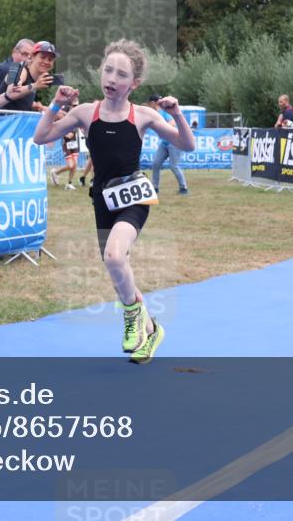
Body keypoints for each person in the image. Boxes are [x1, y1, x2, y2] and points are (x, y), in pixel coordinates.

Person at [33, 40, 195, 364]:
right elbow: (41, 137)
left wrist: (176, 114)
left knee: (115, 254)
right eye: (108, 70)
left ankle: (132, 319)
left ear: (133, 84)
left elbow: (186, 144)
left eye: (121, 74)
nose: (112, 78)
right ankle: (151, 330)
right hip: (102, 199)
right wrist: (54, 105)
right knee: (116, 266)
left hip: (134, 197)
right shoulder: (84, 113)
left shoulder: (143, 116)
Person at [147, 94, 190, 195]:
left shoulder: (163, 112)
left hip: (175, 142)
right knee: (156, 164)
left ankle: (184, 188)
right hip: (164, 143)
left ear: (152, 103)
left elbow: (173, 123)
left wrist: (161, 127)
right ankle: (155, 188)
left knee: (173, 165)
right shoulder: (154, 113)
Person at [0, 41, 58, 111]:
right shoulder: (15, 68)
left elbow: (21, 101)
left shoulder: (35, 79)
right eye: (42, 57)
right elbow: (11, 93)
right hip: (1, 120)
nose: (46, 62)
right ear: (32, 57)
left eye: (50, 59)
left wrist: (50, 110)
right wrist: (35, 85)